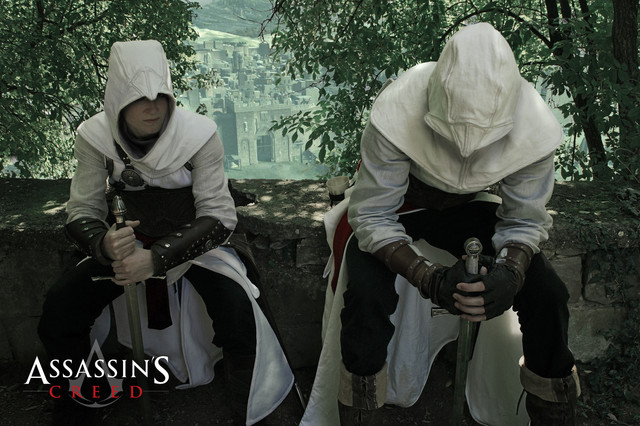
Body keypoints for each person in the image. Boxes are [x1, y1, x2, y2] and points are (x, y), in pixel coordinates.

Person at [302, 23, 580, 426]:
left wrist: (511, 272)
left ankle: (554, 412)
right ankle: (361, 411)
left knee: (547, 293)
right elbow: (374, 213)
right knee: (366, 296)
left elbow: (524, 218)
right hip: (398, 204)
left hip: (468, 207)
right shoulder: (396, 111)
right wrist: (429, 278)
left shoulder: (534, 131)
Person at [37, 40, 293, 426]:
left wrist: (156, 259)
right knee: (62, 306)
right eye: (139, 98)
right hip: (127, 239)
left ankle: (249, 404)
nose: (153, 107)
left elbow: (218, 215)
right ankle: (81, 402)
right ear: (118, 100)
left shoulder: (200, 135)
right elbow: (83, 210)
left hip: (197, 237)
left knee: (238, 310)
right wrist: (103, 244)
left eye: (160, 96)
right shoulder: (94, 137)